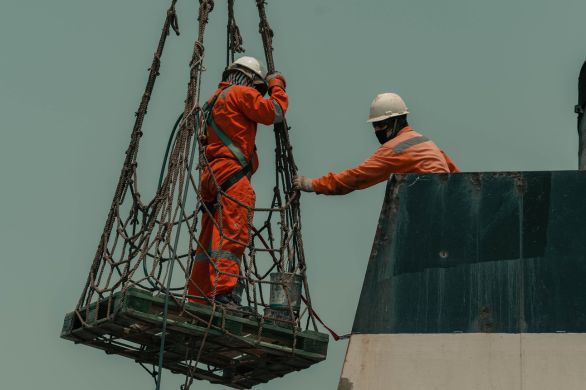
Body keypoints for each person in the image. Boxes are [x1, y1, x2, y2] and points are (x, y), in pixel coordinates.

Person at [188, 56, 287, 305]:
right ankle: (223, 294)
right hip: (232, 177)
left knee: (209, 239)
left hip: (211, 176)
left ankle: (198, 296)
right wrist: (277, 86)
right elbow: (273, 112)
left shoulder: (213, 101)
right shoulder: (242, 93)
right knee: (232, 235)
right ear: (252, 80)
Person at [294, 92, 459, 195]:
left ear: (394, 121)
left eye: (379, 125)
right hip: (446, 198)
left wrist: (312, 184)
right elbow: (455, 173)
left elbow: (356, 177)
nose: (376, 130)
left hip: (426, 202)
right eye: (375, 126)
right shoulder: (424, 141)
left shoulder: (393, 149)